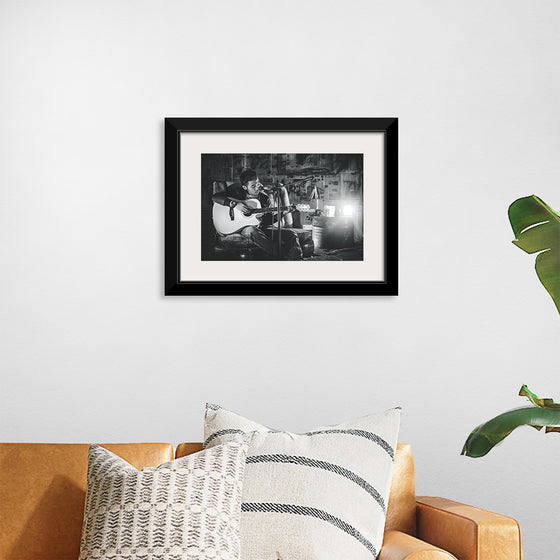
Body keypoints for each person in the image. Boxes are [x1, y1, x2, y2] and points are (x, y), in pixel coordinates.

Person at [212, 168, 303, 260]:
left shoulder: (264, 198)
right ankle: (281, 257)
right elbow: (215, 197)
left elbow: (269, 220)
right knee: (251, 230)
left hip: (260, 228)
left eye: (258, 183)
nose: (257, 187)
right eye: (253, 186)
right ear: (245, 187)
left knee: (292, 234)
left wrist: (283, 213)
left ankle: (296, 259)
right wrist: (235, 204)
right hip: (241, 228)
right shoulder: (237, 192)